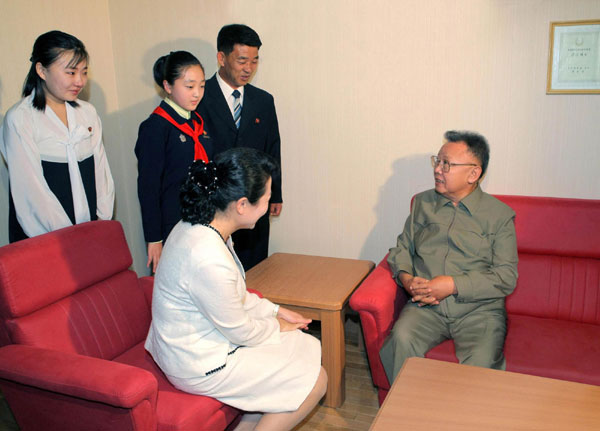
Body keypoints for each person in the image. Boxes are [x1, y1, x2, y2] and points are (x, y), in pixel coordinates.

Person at [145, 147, 326, 431]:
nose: (268, 206)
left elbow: (235, 297)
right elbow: (240, 329)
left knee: (304, 349)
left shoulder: (203, 225)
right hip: (196, 363)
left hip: (198, 342)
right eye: (266, 199)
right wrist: (276, 326)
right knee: (315, 380)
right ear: (242, 205)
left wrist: (276, 311)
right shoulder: (207, 256)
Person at [379, 130, 518, 383]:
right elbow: (401, 249)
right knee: (401, 339)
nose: (438, 170)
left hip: (479, 311)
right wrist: (407, 279)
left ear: (473, 174)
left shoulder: (499, 215)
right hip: (426, 307)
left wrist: (452, 285)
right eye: (437, 161)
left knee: (482, 363)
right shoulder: (422, 204)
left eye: (447, 164)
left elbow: (506, 276)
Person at [1, 30, 114, 243]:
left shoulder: (87, 112)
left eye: (84, 72)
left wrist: (101, 220)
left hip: (90, 230)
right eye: (71, 73)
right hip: (44, 237)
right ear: (41, 70)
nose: (80, 81)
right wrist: (68, 238)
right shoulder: (20, 118)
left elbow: (101, 172)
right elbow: (32, 192)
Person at [197, 24, 282, 271]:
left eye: (254, 61)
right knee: (218, 270)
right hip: (216, 205)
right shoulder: (199, 97)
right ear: (221, 58)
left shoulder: (263, 100)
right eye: (242, 60)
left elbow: (273, 146)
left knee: (255, 269)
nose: (249, 68)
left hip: (255, 200)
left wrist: (275, 192)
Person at [135, 51, 213, 273]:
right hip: (173, 224)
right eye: (189, 87)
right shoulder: (156, 127)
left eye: (202, 86)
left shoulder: (197, 123)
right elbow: (148, 187)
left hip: (202, 221)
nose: (197, 93)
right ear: (168, 86)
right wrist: (154, 238)